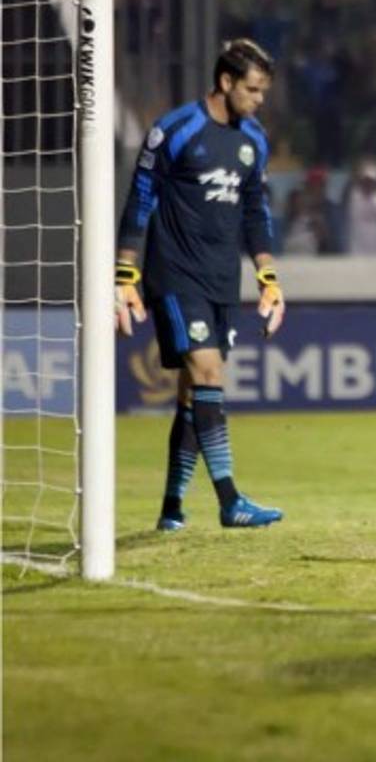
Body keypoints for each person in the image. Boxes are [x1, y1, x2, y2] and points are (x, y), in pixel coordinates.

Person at [114, 38, 286, 532]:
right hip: (174, 275)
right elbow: (140, 198)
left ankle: (171, 508)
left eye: (263, 92)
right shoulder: (175, 129)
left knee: (193, 395)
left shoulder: (254, 139)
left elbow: (257, 213)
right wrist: (126, 271)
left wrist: (268, 277)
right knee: (209, 373)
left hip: (220, 281)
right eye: (252, 90)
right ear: (226, 82)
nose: (258, 100)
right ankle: (231, 500)